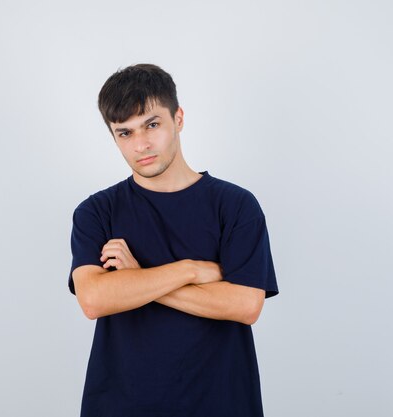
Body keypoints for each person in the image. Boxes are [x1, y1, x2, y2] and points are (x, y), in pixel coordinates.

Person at [68, 63, 279, 417]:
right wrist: (191, 269)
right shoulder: (96, 211)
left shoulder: (235, 205)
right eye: (125, 133)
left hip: (221, 403)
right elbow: (93, 300)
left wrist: (136, 277)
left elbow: (244, 305)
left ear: (178, 118)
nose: (141, 144)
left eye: (152, 125)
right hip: (122, 405)